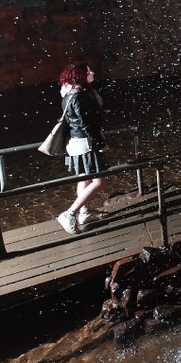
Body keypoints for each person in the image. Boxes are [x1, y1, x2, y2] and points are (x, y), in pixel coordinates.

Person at [54, 62, 109, 234]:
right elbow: (87, 125)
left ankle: (84, 212)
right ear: (80, 76)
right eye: (88, 72)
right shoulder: (79, 97)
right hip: (86, 144)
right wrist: (101, 144)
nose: (92, 73)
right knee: (100, 181)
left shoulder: (69, 95)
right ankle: (70, 213)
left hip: (76, 144)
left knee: (83, 178)